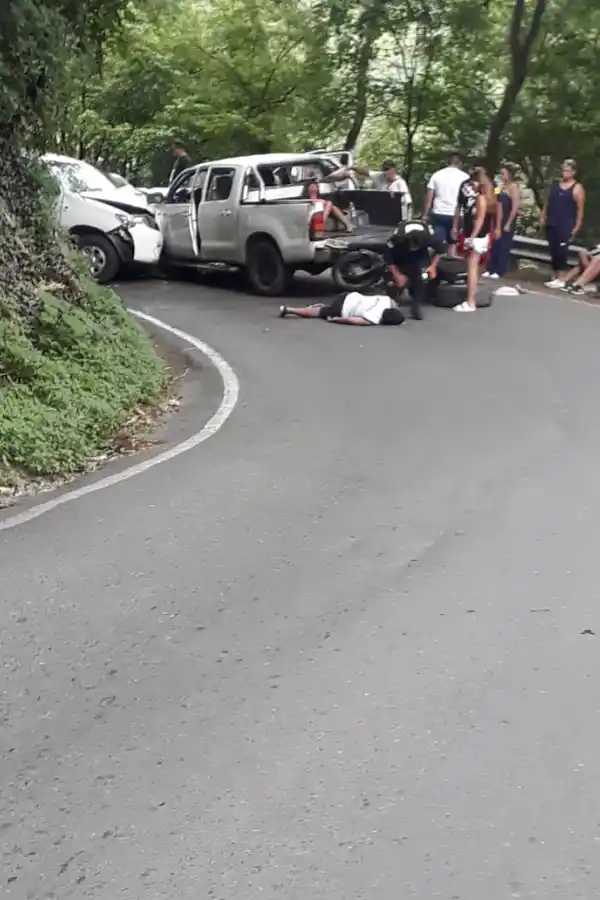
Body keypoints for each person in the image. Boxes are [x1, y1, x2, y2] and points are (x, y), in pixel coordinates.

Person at [452, 167, 501, 312]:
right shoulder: (484, 196)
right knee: (472, 265)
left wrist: (472, 236)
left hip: (477, 235)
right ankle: (471, 295)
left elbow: (479, 220)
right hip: (479, 234)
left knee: (472, 266)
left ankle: (470, 301)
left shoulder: (480, 199)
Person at [383, 220, 444, 320]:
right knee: (392, 281)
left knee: (424, 276)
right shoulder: (398, 237)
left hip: (420, 257)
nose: (414, 246)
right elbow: (387, 256)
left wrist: (433, 266)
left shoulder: (430, 236)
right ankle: (392, 300)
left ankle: (416, 303)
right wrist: (397, 275)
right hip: (398, 256)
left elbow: (441, 250)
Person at [541, 159, 585, 288]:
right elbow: (548, 203)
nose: (565, 173)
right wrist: (543, 216)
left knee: (561, 252)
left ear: (573, 172)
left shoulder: (577, 188)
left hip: (565, 225)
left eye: (568, 171)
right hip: (552, 222)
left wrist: (576, 228)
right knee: (553, 250)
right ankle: (555, 276)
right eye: (564, 170)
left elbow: (580, 211)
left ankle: (562, 278)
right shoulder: (556, 185)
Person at [421, 153, 469, 256]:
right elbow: (468, 199)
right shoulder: (466, 177)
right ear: (460, 163)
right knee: (453, 242)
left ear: (448, 162)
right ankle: (451, 266)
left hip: (439, 213)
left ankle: (434, 265)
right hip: (457, 215)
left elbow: (429, 197)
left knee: (436, 242)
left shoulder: (436, 175)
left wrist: (424, 215)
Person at [330, 159, 412, 218]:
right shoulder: (379, 176)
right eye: (384, 169)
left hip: (398, 213)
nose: (386, 171)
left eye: (388, 169)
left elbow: (407, 201)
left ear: (393, 169)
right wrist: (352, 167)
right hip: (382, 211)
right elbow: (365, 172)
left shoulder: (400, 182)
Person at [483, 164, 520, 278]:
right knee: (495, 244)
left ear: (509, 175)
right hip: (498, 218)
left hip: (507, 218)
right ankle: (490, 268)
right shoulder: (501, 187)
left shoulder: (513, 187)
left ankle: (500, 270)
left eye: (504, 173)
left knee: (504, 245)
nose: (502, 176)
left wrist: (509, 222)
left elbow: (515, 207)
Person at [278, 294, 405, 326]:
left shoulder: (387, 300)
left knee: (325, 308)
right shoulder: (374, 319)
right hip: (342, 309)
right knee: (320, 313)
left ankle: (321, 307)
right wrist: (336, 320)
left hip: (348, 296)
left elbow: (394, 303)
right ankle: (289, 309)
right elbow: (351, 320)